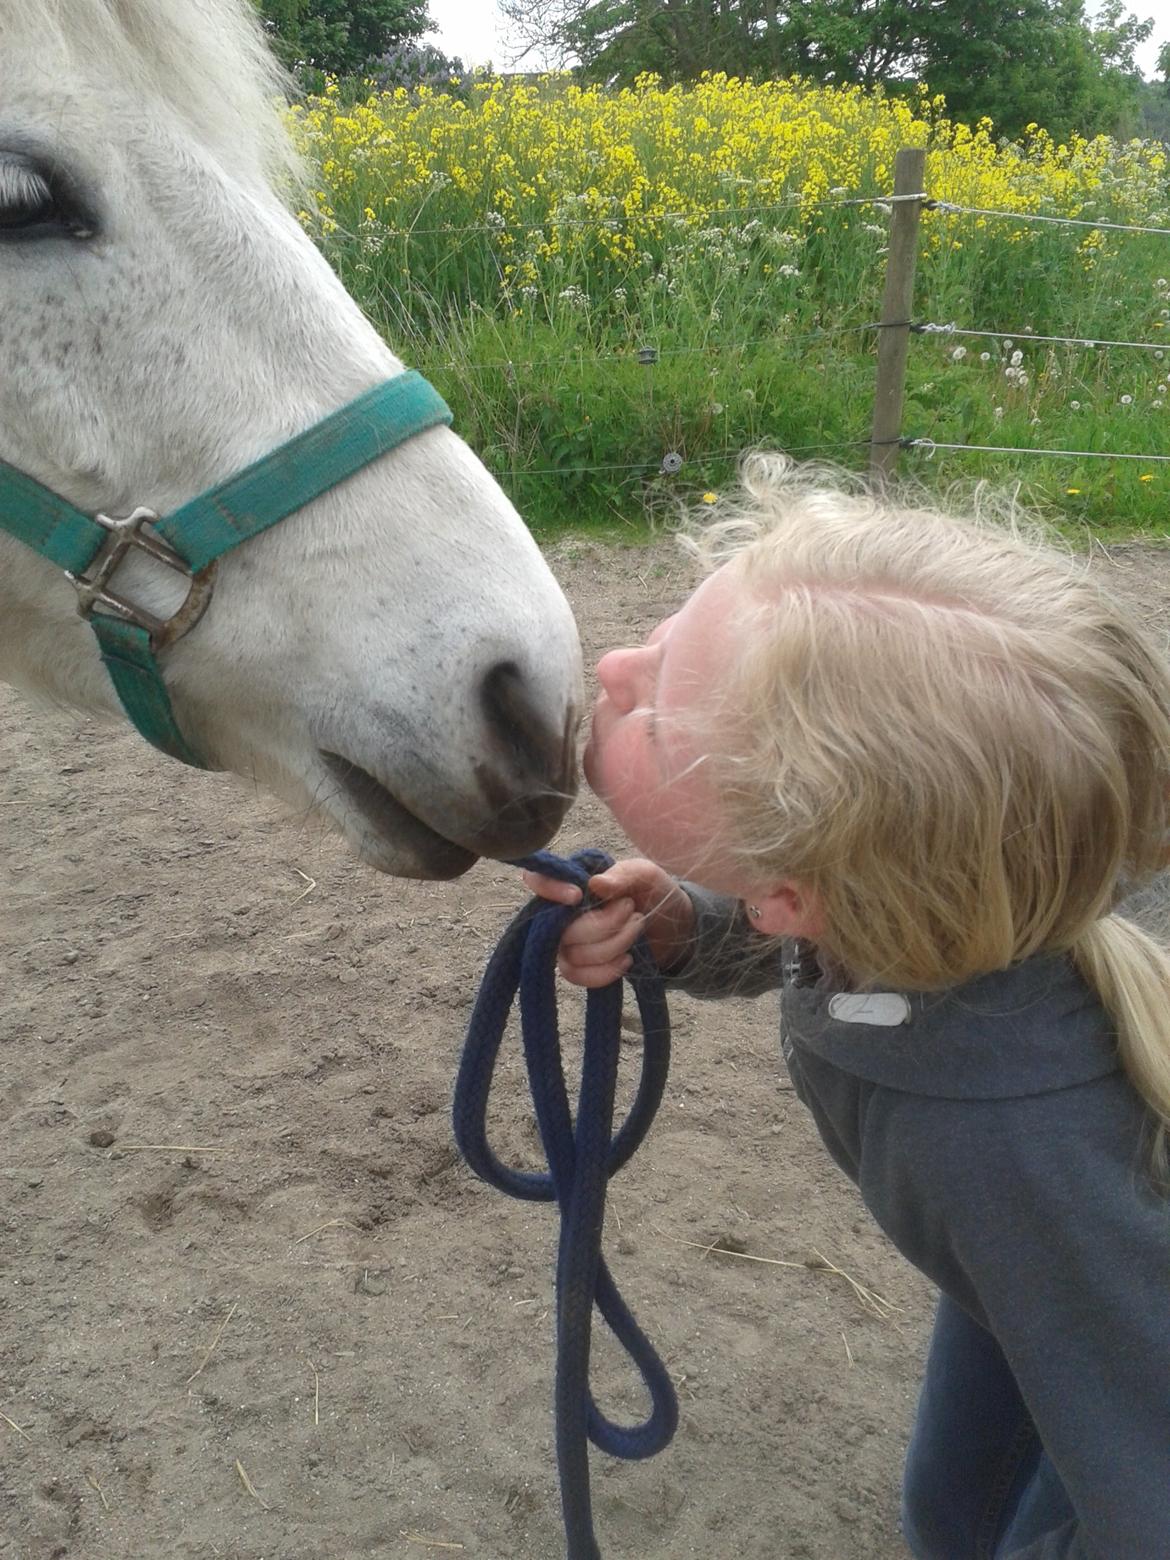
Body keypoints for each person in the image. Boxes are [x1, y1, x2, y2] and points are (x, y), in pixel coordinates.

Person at [523, 454, 1170, 1559]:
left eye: (659, 719)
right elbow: (838, 938)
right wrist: (683, 921)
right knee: (952, 1506)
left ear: (790, 891)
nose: (613, 666)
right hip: (1018, 1276)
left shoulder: (1015, 1158)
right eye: (663, 637)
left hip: (1068, 1279)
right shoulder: (999, 878)